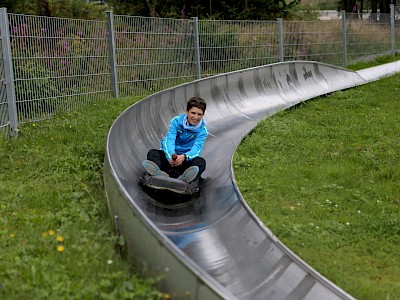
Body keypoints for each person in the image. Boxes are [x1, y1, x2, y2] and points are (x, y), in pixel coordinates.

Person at [142, 96, 208, 183]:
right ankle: (158, 173)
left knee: (201, 162)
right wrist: (170, 156)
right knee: (153, 153)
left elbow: (197, 149)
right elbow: (169, 140)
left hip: (184, 161)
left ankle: (185, 178)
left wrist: (184, 157)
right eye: (193, 113)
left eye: (199, 114)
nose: (195, 117)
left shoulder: (202, 131)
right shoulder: (176, 122)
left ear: (203, 115)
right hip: (170, 159)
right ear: (187, 112)